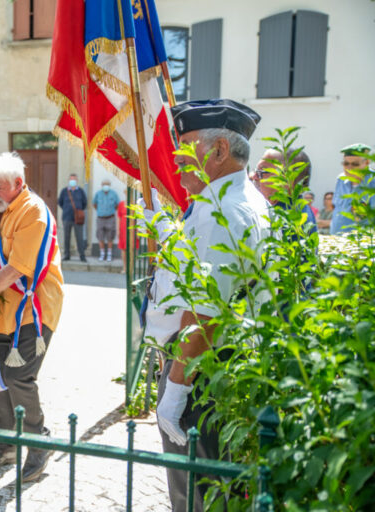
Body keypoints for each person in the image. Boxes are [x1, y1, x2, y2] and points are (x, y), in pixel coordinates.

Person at [141, 100, 270, 511]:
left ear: (218, 152)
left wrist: (176, 388)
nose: (176, 159)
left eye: (185, 147)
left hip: (202, 373)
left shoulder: (221, 210)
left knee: (197, 493)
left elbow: (206, 314)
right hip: (209, 366)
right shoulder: (227, 201)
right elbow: (204, 274)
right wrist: (166, 230)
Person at [0, 152, 64, 483]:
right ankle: (7, 446)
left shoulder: (33, 211)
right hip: (0, 307)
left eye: (0, 186)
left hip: (32, 308)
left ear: (19, 184)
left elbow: (16, 269)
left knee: (18, 377)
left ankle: (39, 442)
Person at [252, 148, 317, 234]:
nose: (254, 177)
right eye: (256, 171)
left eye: (262, 172)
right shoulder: (300, 208)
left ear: (287, 179)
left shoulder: (285, 218)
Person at [330, 143, 375, 234]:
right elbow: (336, 207)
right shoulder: (341, 180)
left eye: (355, 164)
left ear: (366, 163)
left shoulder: (372, 182)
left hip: (362, 241)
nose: (349, 168)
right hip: (337, 237)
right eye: (346, 164)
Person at [57, 173, 87, 262]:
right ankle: (67, 255)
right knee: (67, 237)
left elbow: (84, 203)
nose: (72, 181)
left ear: (77, 181)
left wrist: (78, 211)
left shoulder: (80, 191)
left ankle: (82, 255)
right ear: (69, 181)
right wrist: (67, 209)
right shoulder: (64, 191)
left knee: (79, 237)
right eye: (71, 179)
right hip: (67, 217)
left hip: (78, 218)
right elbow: (60, 202)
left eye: (74, 179)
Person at [92, 179, 120, 262]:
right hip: (100, 218)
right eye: (104, 184)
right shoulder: (98, 194)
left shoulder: (113, 194)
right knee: (100, 237)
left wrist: (110, 212)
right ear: (101, 185)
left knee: (110, 237)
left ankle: (109, 255)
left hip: (110, 218)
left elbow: (117, 205)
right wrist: (101, 211)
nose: (105, 186)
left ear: (109, 185)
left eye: (107, 184)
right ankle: (102, 254)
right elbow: (94, 204)